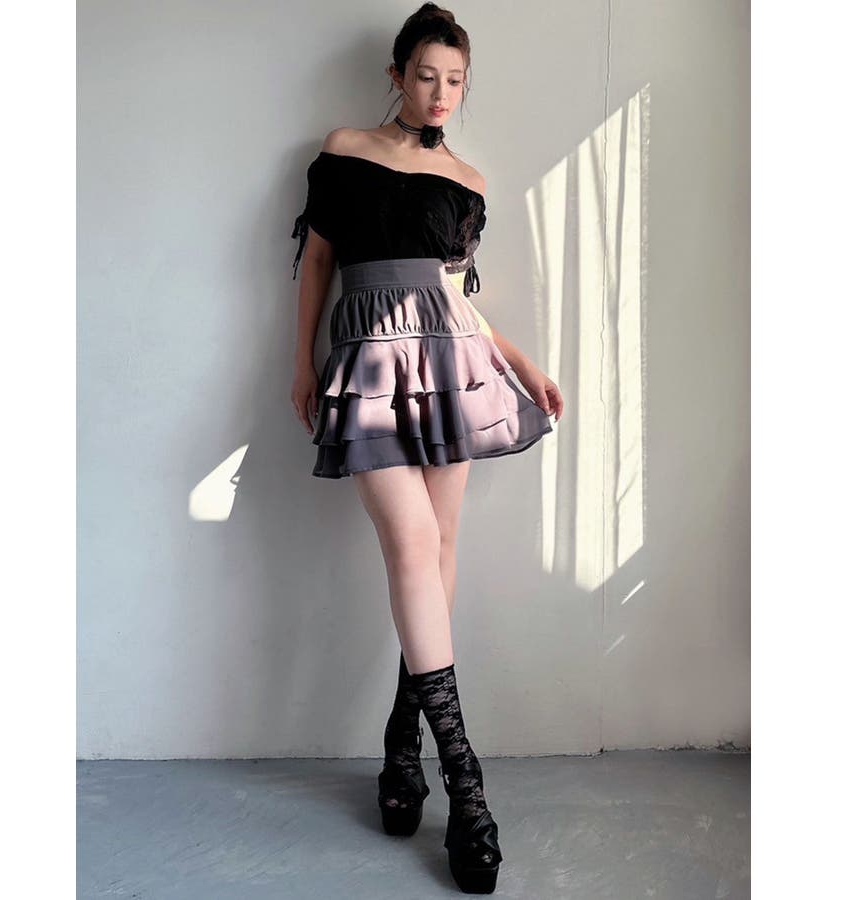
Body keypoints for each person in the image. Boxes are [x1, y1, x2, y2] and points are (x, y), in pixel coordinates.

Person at [289, 4, 564, 893]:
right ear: (397, 74)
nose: (442, 94)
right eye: (427, 76)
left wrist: (522, 363)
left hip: (450, 362)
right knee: (412, 544)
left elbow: (456, 297)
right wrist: (302, 363)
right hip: (368, 358)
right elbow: (318, 262)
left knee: (441, 546)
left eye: (456, 81)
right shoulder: (344, 149)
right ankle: (465, 779)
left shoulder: (468, 180)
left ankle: (402, 745)